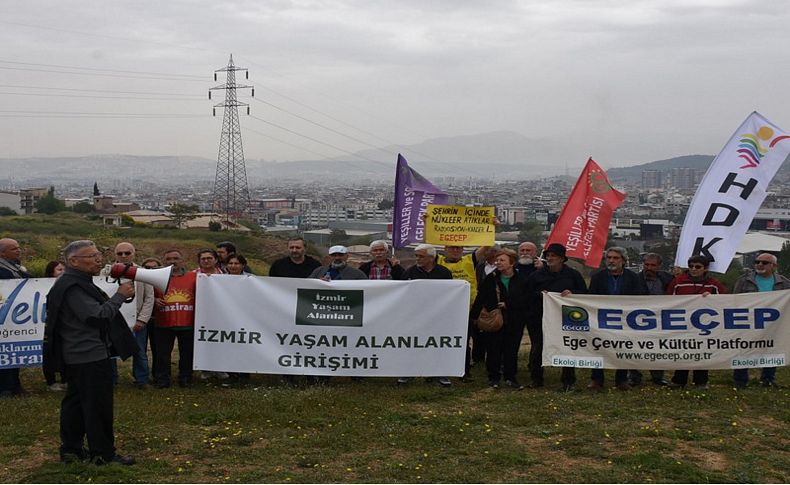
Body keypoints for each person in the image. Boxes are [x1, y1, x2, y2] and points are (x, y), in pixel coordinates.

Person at [44, 240, 137, 465]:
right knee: (98, 406)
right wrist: (120, 296)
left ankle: (71, 450)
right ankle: (103, 454)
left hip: (79, 354)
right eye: (91, 257)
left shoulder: (73, 282)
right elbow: (97, 316)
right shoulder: (73, 286)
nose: (98, 260)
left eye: (98, 255)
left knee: (75, 404)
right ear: (73, 261)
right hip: (89, 355)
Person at [525, 243, 588, 391]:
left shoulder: (573, 275)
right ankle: (536, 379)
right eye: (548, 255)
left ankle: (568, 381)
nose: (550, 258)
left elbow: (584, 292)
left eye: (553, 256)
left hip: (565, 319)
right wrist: (540, 295)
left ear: (562, 259)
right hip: (540, 317)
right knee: (537, 348)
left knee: (567, 348)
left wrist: (572, 293)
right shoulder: (536, 275)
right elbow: (526, 294)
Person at [587, 247, 647, 391]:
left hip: (625, 320)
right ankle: (596, 379)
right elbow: (589, 297)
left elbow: (640, 296)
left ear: (623, 261)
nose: (611, 261)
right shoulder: (597, 276)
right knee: (598, 347)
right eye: (609, 258)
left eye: (615, 258)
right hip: (601, 319)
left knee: (623, 347)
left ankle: (621, 379)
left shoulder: (633, 277)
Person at [666, 255, 727, 390]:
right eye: (691, 266)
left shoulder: (713, 284)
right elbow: (668, 300)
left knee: (701, 352)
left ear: (705, 268)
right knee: (683, 351)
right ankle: (678, 380)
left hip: (704, 325)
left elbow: (724, 300)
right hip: (683, 324)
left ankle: (701, 381)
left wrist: (711, 299)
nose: (693, 269)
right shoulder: (678, 282)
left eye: (697, 267)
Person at [471, 248, 528, 390]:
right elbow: (481, 297)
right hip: (495, 320)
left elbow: (527, 299)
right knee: (493, 350)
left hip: (514, 320)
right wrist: (474, 317)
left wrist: (508, 304)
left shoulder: (521, 280)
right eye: (497, 260)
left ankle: (510, 378)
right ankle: (493, 378)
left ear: (511, 262)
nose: (498, 262)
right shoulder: (491, 278)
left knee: (511, 350)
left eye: (502, 260)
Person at [100, 242, 155, 389]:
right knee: (110, 352)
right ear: (115, 254)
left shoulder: (143, 272)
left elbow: (149, 298)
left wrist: (143, 319)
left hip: (137, 320)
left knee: (140, 352)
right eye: (120, 253)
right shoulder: (105, 272)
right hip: (113, 319)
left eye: (127, 253)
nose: (123, 256)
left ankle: (142, 380)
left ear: (134, 253)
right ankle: (110, 380)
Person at [732, 253, 789, 388]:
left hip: (774, 323)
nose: (759, 265)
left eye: (764, 263)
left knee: (772, 349)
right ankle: (740, 380)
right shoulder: (744, 280)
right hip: (748, 322)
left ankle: (768, 379)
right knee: (743, 349)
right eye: (757, 262)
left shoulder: (784, 283)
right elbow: (734, 300)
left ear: (773, 266)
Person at [400, 244, 454, 387]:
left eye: (421, 256)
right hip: (414, 317)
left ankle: (440, 374)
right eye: (416, 256)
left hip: (438, 317)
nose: (417, 259)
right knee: (412, 345)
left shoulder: (444, 273)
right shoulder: (409, 272)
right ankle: (408, 373)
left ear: (432, 257)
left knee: (437, 345)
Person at [438, 244, 488, 379]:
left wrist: (491, 227)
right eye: (451, 248)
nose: (455, 250)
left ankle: (464, 371)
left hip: (467, 308)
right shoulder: (438, 260)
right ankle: (442, 369)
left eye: (458, 248)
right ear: (445, 250)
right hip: (444, 309)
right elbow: (425, 250)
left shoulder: (469, 260)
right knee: (443, 341)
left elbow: (485, 247)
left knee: (464, 342)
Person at [153, 249, 196, 388]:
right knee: (162, 354)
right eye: (169, 259)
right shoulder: (155, 277)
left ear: (182, 260)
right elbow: (147, 295)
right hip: (164, 322)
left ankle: (185, 378)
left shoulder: (194, 277)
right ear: (164, 261)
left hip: (188, 323)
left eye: (176, 258)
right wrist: (154, 300)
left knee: (187, 354)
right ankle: (163, 379)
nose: (173, 261)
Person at [632, 252, 674, 386]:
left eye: (653, 265)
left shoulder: (668, 278)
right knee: (635, 347)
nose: (649, 268)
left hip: (660, 319)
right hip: (637, 319)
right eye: (646, 264)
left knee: (658, 347)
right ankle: (634, 376)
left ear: (659, 266)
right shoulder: (634, 278)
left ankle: (657, 376)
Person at [0, 238, 31, 398]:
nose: (18, 251)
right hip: (4, 317)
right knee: (4, 351)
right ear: (2, 253)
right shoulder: (2, 270)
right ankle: (5, 387)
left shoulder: (16, 267)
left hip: (16, 316)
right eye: (14, 249)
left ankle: (15, 384)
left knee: (14, 350)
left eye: (18, 247)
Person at [43, 261, 68, 392]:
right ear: (51, 272)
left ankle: (65, 379)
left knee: (65, 352)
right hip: (51, 326)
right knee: (50, 352)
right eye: (59, 270)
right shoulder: (46, 286)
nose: (62, 272)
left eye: (65, 269)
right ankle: (51, 381)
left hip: (64, 326)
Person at [140, 257, 162, 380]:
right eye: (147, 268)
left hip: (157, 319)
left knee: (157, 349)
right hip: (142, 318)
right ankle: (142, 375)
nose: (151, 269)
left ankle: (157, 374)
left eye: (155, 267)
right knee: (141, 350)